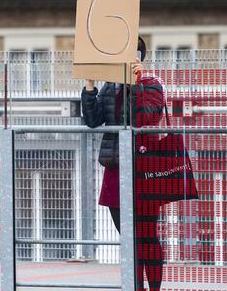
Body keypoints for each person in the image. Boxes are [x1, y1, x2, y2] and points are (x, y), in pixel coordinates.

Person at [81, 38, 169, 291]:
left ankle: (153, 288)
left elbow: (147, 117)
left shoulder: (151, 84)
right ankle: (135, 286)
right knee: (128, 237)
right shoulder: (110, 86)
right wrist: (89, 87)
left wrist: (136, 83)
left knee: (147, 235)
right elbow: (93, 120)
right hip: (115, 166)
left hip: (143, 168)